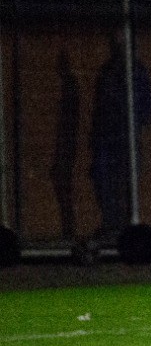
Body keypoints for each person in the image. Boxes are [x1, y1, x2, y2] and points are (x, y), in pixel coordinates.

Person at [89, 26, 151, 238]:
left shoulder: (138, 71)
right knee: (102, 175)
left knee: (126, 181)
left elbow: (145, 108)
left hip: (127, 136)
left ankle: (125, 224)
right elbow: (100, 106)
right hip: (106, 136)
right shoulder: (107, 71)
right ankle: (111, 222)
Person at [50, 49, 80, 240]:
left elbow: (67, 122)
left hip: (67, 144)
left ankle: (69, 228)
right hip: (66, 143)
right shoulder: (69, 85)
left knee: (62, 183)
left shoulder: (70, 86)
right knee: (61, 183)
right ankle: (68, 227)